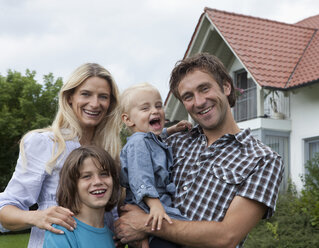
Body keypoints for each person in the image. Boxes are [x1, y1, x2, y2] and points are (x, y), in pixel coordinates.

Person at [114, 53, 284, 248]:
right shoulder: (175, 142)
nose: (199, 101)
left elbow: (227, 237)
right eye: (188, 96)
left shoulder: (262, 160)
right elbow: (134, 174)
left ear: (226, 87)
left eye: (204, 89)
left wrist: (146, 224)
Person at [0, 63, 122, 247]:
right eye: (86, 94)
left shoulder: (111, 151)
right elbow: (4, 210)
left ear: (110, 104)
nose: (95, 103)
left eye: (103, 97)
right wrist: (38, 216)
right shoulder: (45, 143)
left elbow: (111, 214)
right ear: (70, 97)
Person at [119, 83, 191, 248]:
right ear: (128, 119)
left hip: (156, 203)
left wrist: (171, 130)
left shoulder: (148, 138)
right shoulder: (138, 143)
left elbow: (156, 136)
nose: (155, 110)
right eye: (145, 108)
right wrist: (155, 206)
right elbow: (140, 177)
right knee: (178, 233)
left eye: (158, 105)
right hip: (145, 204)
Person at [43, 146, 120, 247]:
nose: (98, 182)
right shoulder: (61, 232)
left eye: (104, 174)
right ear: (72, 185)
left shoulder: (112, 236)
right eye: (87, 176)